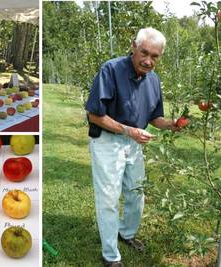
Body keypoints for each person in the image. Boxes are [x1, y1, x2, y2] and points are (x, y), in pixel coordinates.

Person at [85, 27, 180, 267]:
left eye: (155, 56)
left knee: (136, 193)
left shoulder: (154, 80)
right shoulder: (111, 70)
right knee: (108, 198)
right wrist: (129, 130)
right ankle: (110, 256)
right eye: (144, 52)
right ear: (133, 47)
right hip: (107, 140)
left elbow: (155, 118)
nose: (148, 61)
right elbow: (95, 115)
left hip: (133, 143)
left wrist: (173, 124)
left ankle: (126, 233)